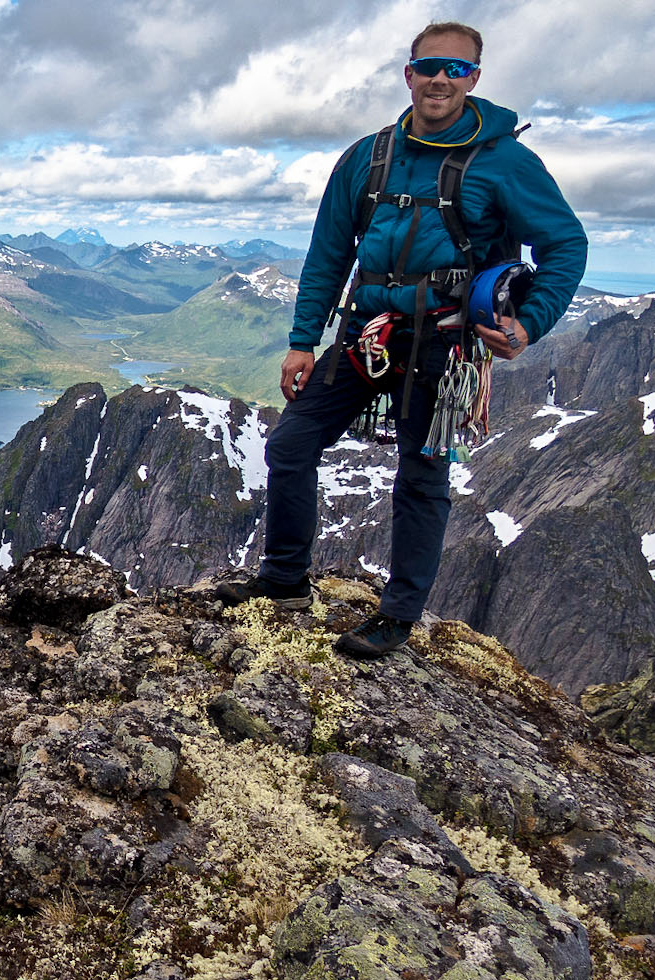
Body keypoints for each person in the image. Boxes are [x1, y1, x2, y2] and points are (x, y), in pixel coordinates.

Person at [216, 21, 586, 656]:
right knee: (292, 443)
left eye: (457, 69)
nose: (441, 78)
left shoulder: (504, 162)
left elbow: (565, 244)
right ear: (409, 73)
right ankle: (284, 583)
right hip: (368, 333)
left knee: (421, 476)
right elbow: (329, 253)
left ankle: (398, 614)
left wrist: (529, 323)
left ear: (475, 78)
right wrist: (304, 340)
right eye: (429, 66)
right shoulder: (368, 155)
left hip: (445, 345)